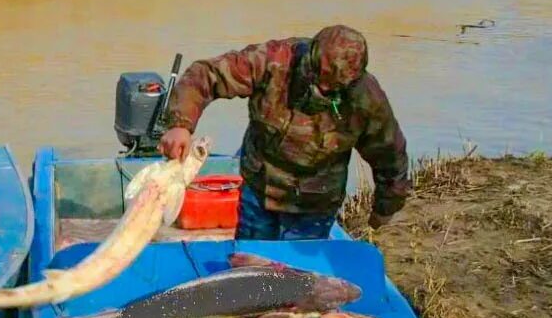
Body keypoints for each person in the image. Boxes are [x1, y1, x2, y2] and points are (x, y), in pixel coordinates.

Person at [158, 25, 410, 240]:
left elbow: (390, 156)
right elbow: (207, 74)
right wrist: (181, 124)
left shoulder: (366, 100)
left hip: (315, 205)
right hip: (260, 193)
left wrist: (384, 208)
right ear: (310, 53)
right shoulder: (274, 60)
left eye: (332, 86)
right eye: (318, 75)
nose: (321, 87)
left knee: (298, 281)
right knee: (250, 269)